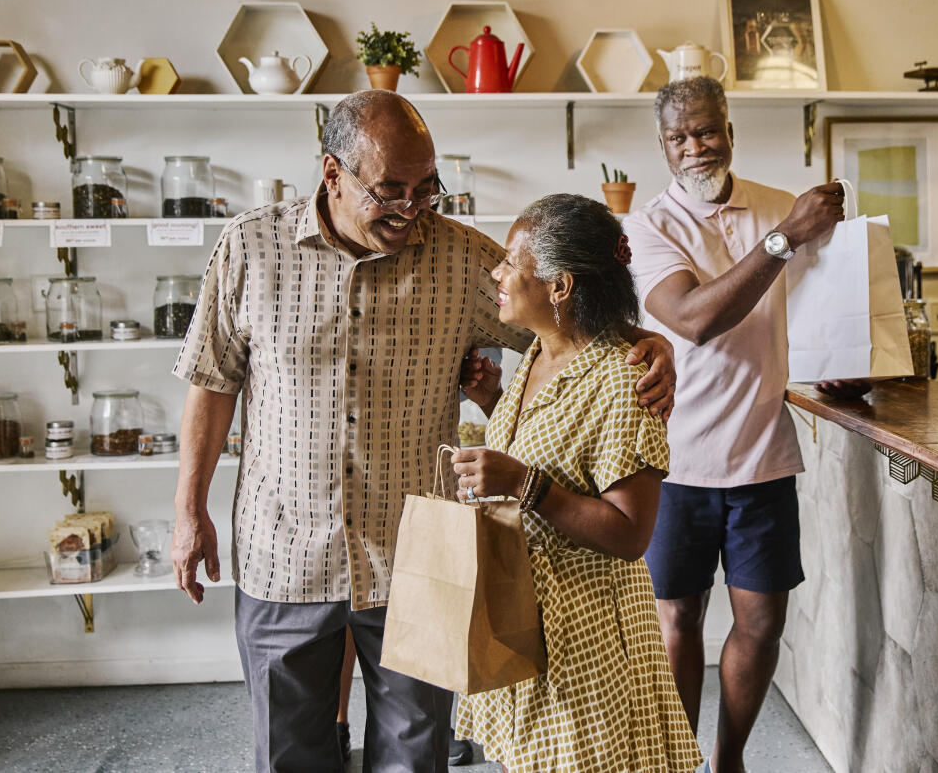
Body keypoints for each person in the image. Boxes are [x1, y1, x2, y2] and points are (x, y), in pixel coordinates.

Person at [170, 90, 677, 773]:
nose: (412, 210)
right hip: (283, 551)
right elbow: (212, 382)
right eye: (390, 192)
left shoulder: (464, 257)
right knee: (287, 755)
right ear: (333, 176)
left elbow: (567, 315)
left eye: (426, 188)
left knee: (415, 758)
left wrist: (645, 340)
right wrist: (188, 510)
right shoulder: (250, 248)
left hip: (418, 558)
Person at [622, 76, 868, 773]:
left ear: (729, 127)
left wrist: (846, 363)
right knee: (678, 624)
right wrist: (786, 237)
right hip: (673, 464)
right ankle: (678, 763)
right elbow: (696, 319)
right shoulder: (645, 228)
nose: (696, 147)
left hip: (763, 457)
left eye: (707, 130)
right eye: (679, 137)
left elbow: (827, 305)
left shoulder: (775, 207)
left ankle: (728, 762)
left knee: (761, 625)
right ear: (662, 146)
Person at [449, 194, 703, 773]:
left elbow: (631, 532)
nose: (498, 272)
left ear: (560, 287)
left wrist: (523, 484)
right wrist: (494, 401)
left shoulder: (623, 380)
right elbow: (560, 450)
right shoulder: (541, 351)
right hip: (527, 616)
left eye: (512, 263)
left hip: (588, 641)